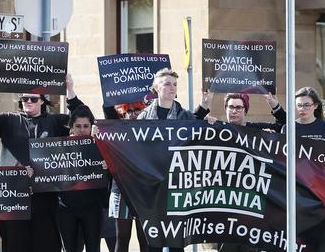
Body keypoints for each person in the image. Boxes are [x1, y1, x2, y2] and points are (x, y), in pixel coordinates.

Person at [0, 74, 83, 252]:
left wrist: (70, 90)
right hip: (13, 195)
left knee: (46, 242)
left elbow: (80, 118)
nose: (28, 101)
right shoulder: (9, 120)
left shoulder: (55, 122)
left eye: (33, 99)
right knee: (14, 244)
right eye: (25, 98)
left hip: (44, 196)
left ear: (42, 101)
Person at [137, 68, 193, 252]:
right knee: (153, 240)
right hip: (152, 186)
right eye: (167, 83)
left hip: (177, 186)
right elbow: (131, 145)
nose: (172, 88)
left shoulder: (185, 116)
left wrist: (208, 123)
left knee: (175, 241)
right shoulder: (143, 117)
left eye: (175, 84)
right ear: (155, 88)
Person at [282, 87, 325, 252]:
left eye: (307, 105)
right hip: (297, 193)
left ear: (315, 106)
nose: (302, 109)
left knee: (324, 243)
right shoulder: (287, 128)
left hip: (322, 193)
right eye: (299, 105)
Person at [58, 105, 110, 252]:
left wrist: (107, 166)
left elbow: (112, 175)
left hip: (92, 207)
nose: (82, 129)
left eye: (86, 126)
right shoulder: (59, 146)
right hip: (66, 207)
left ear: (91, 127)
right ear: (71, 127)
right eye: (78, 126)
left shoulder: (100, 145)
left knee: (93, 248)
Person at [107, 102, 149, 252]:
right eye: (128, 111)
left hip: (145, 191)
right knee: (122, 237)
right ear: (123, 113)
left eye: (137, 110)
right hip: (121, 189)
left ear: (144, 110)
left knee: (145, 239)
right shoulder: (117, 130)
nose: (132, 113)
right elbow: (107, 107)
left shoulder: (152, 131)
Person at [204, 92, 286, 130]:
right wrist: (202, 121)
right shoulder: (217, 127)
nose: (234, 111)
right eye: (231, 107)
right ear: (226, 109)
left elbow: (285, 126)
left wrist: (274, 105)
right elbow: (191, 126)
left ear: (245, 111)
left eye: (238, 107)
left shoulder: (257, 129)